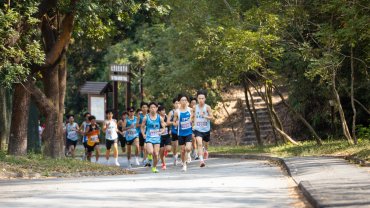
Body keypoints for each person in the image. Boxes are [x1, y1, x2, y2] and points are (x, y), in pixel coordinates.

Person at [141, 102, 166, 173]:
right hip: (149, 137)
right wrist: (143, 134)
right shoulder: (146, 117)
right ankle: (149, 156)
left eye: (154, 107)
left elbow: (164, 127)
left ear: (157, 108)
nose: (153, 109)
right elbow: (142, 127)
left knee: (156, 154)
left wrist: (161, 132)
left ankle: (154, 167)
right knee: (150, 151)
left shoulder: (160, 118)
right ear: (149, 109)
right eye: (151, 107)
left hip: (157, 138)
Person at [173, 94, 194, 172]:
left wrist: (192, 122)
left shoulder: (190, 110)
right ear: (179, 101)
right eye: (182, 100)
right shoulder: (177, 112)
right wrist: (176, 123)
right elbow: (174, 123)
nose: (184, 101)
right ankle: (184, 164)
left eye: (185, 100)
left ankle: (188, 154)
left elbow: (193, 119)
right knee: (182, 150)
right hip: (180, 133)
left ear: (187, 101)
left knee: (187, 148)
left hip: (188, 132)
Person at [193, 90, 214, 167]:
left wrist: (205, 116)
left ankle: (206, 150)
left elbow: (212, 117)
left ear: (205, 99)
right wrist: (193, 124)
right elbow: (194, 116)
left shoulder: (207, 107)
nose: (201, 100)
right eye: (199, 98)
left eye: (202, 98)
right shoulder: (195, 107)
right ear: (197, 99)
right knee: (199, 143)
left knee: (206, 144)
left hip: (206, 129)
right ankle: (201, 160)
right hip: (198, 129)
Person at [137, 102, 150, 166]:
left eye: (146, 107)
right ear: (141, 108)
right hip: (141, 133)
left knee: (145, 147)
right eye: (143, 107)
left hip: (147, 133)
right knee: (142, 148)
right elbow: (136, 125)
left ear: (148, 108)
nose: (144, 108)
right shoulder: (140, 116)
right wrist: (142, 125)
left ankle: (145, 160)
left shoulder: (149, 115)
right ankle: (144, 158)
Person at [159, 106, 172, 170]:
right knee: (161, 150)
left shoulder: (167, 117)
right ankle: (164, 164)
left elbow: (170, 123)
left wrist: (170, 130)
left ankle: (165, 152)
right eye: (162, 110)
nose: (164, 112)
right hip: (160, 136)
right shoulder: (157, 118)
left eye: (164, 110)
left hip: (167, 135)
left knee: (169, 149)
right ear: (159, 112)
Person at [167, 98, 180, 166]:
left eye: (178, 103)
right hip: (174, 130)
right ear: (173, 104)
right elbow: (168, 122)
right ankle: (174, 157)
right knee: (174, 146)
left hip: (181, 130)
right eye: (176, 103)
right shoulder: (171, 112)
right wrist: (174, 122)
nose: (177, 105)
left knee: (179, 145)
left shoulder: (182, 111)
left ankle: (178, 157)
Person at [189, 97, 198, 161]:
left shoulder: (198, 109)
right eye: (192, 103)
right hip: (189, 127)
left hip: (197, 127)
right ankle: (195, 154)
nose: (194, 104)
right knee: (193, 139)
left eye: (195, 103)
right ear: (190, 103)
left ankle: (194, 151)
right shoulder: (188, 110)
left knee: (197, 140)